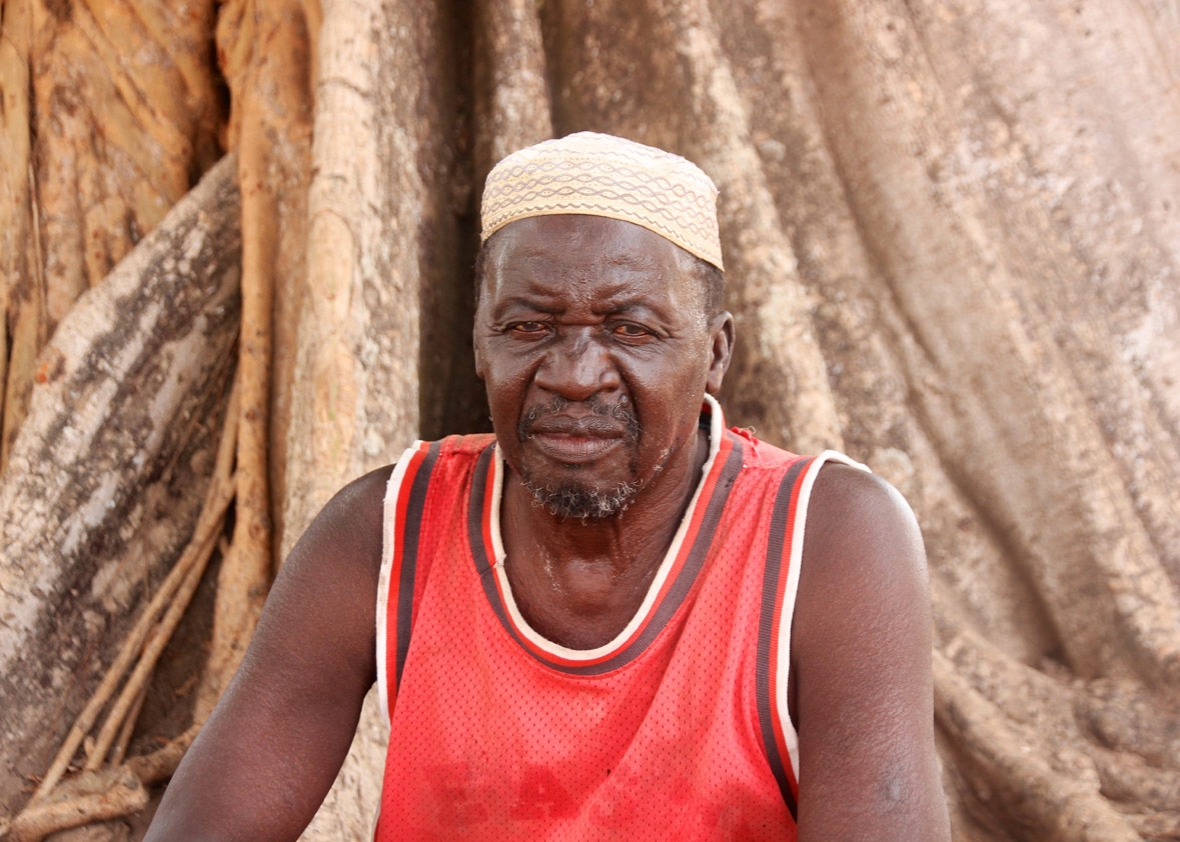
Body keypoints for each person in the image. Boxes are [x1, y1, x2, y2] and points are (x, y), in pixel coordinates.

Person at [144, 132, 949, 841]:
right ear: (480, 345)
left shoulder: (828, 539)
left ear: (714, 352)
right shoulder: (386, 532)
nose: (573, 376)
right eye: (529, 327)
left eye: (630, 329)